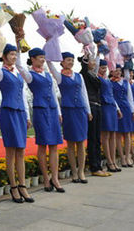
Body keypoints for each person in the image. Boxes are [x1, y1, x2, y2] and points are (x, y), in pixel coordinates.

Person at [0, 43, 34, 203]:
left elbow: (22, 96)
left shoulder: (19, 74)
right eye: (12, 54)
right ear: (5, 56)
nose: (14, 57)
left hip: (20, 113)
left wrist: (27, 116)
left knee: (21, 151)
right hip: (8, 113)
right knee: (11, 152)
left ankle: (22, 185)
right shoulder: (0, 73)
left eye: (16, 54)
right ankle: (13, 186)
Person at [16, 47, 65, 193]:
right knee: (43, 145)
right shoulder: (30, 75)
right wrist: (18, 46)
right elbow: (19, 65)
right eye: (40, 57)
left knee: (55, 145)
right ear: (32, 59)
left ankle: (55, 178)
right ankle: (46, 178)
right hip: (40, 110)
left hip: (52, 110)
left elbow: (54, 94)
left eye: (44, 57)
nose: (43, 60)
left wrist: (59, 112)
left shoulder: (48, 75)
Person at [47, 52, 91, 184]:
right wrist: (50, 46)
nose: (70, 62)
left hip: (80, 110)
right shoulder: (59, 77)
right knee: (71, 143)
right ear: (62, 62)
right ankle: (74, 171)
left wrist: (88, 110)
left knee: (82, 143)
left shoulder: (79, 76)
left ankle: (81, 171)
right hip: (68, 111)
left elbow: (84, 93)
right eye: (68, 60)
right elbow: (49, 65)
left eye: (72, 60)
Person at [79, 55, 111, 177]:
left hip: (98, 106)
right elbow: (84, 67)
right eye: (91, 61)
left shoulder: (94, 75)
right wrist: (87, 52)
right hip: (90, 106)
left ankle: (98, 166)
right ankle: (94, 166)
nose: (94, 63)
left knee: (97, 138)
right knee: (92, 138)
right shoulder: (84, 74)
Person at [98, 59, 123, 173]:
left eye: (105, 68)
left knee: (113, 134)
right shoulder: (96, 78)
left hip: (112, 107)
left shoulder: (107, 80)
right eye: (102, 68)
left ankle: (113, 160)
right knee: (105, 135)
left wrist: (117, 109)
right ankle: (109, 161)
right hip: (104, 107)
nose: (104, 70)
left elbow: (111, 95)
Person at [111, 65, 134, 168]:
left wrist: (133, 110)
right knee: (118, 134)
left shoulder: (126, 82)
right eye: (115, 70)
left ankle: (128, 156)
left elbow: (130, 97)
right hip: (117, 110)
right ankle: (121, 157)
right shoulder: (110, 82)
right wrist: (117, 109)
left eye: (119, 70)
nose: (117, 72)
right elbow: (111, 96)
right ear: (111, 72)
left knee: (127, 134)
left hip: (126, 108)